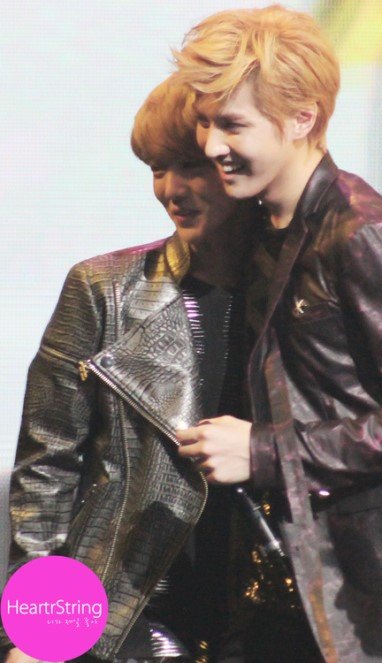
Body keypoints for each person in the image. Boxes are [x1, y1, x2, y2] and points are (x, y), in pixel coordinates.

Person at [0, 75, 284, 663]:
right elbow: (47, 468)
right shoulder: (103, 288)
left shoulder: (302, 293)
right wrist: (33, 635)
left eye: (191, 167)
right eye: (157, 169)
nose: (171, 190)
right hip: (130, 616)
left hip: (270, 613)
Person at [173, 4, 382, 662]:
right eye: (205, 121)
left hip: (361, 599)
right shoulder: (261, 230)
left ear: (302, 118)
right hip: (279, 585)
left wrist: (265, 452)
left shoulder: (361, 233)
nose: (211, 145)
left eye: (232, 124)